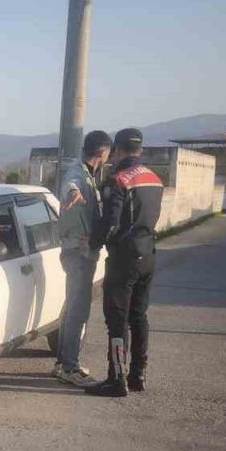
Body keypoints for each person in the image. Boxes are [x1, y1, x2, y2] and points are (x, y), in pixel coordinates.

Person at [86, 128, 163, 397]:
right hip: (148, 255)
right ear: (140, 150)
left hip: (124, 259)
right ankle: (138, 375)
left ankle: (116, 379)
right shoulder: (154, 178)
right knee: (139, 317)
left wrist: (93, 243)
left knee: (117, 321)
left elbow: (111, 224)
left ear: (117, 150)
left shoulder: (118, 180)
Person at [52, 130, 112, 386]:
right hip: (79, 253)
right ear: (103, 152)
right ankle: (70, 367)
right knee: (78, 311)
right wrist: (72, 193)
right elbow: (70, 184)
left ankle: (62, 363)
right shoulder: (77, 173)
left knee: (72, 309)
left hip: (78, 251)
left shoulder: (89, 173)